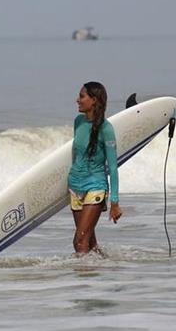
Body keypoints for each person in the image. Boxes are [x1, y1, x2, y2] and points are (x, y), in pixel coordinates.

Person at [68, 81, 123, 255]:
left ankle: (84, 279)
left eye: (82, 96)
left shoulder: (106, 129)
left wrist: (114, 202)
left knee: (79, 240)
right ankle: (102, 271)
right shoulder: (78, 121)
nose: (77, 100)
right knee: (89, 242)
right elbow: (76, 155)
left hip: (96, 186)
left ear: (94, 100)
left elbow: (113, 168)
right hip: (75, 186)